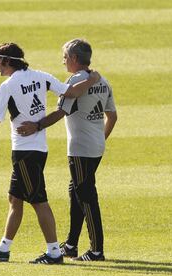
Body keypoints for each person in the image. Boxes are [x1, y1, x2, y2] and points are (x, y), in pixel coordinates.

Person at [0, 42, 100, 264]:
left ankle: (54, 252)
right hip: (39, 149)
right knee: (15, 198)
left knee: (39, 201)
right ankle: (4, 248)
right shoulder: (41, 76)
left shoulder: (8, 86)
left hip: (24, 151)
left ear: (8, 61)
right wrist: (92, 80)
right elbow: (71, 92)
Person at [17, 39, 117, 261]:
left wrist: (37, 125)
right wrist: (101, 139)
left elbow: (61, 111)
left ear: (73, 59)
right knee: (76, 191)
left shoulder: (77, 82)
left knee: (86, 196)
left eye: (64, 57)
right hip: (96, 146)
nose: (63, 62)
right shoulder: (102, 80)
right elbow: (113, 115)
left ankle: (96, 250)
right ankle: (71, 244)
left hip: (80, 149)